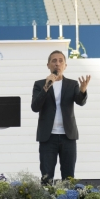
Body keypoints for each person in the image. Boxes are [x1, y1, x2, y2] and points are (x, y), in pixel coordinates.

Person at [31, 50, 91, 183]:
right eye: (54, 61)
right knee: (47, 177)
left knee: (68, 178)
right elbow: (35, 107)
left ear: (65, 65)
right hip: (47, 137)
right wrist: (47, 86)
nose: (57, 64)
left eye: (60, 61)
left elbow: (80, 102)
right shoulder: (39, 84)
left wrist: (82, 91)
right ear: (48, 65)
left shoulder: (72, 84)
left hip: (68, 136)